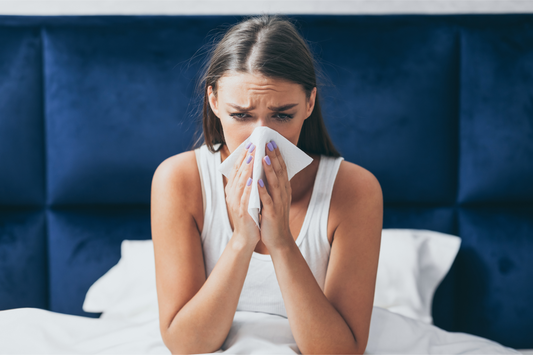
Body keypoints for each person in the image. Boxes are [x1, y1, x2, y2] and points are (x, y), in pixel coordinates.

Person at [150, 15, 383, 354]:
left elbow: (339, 351)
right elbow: (188, 345)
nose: (261, 136)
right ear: (214, 102)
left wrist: (282, 242)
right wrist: (242, 239)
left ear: (309, 103)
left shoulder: (355, 190)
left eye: (282, 115)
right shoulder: (180, 181)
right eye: (241, 115)